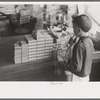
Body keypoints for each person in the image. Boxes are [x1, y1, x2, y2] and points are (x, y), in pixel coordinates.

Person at [56, 14, 94, 82]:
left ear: (79, 30)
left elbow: (76, 67)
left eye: (73, 28)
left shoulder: (79, 45)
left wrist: (61, 64)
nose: (73, 30)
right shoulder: (89, 41)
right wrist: (72, 44)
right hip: (85, 77)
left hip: (77, 79)